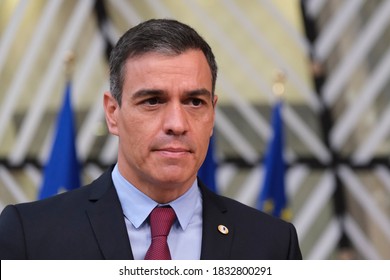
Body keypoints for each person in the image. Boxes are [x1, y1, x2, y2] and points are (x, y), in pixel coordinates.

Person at [0, 18, 302, 260]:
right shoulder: (31, 236)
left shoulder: (272, 244)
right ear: (112, 112)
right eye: (153, 101)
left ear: (212, 114)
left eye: (195, 102)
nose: (177, 124)